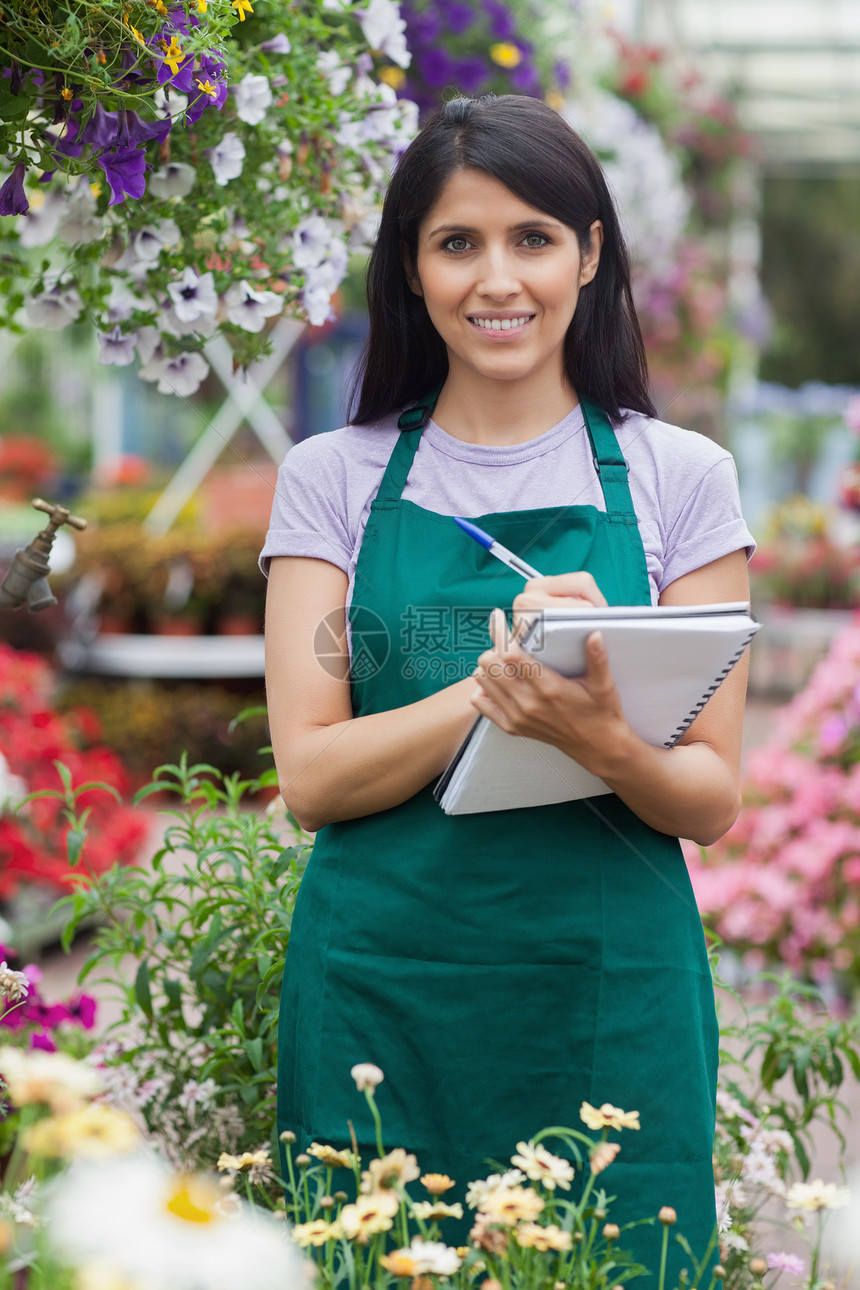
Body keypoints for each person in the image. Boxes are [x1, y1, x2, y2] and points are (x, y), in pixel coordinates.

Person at [261, 93, 755, 1273]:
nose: (498, 279)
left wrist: (599, 734)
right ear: (412, 268)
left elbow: (708, 798)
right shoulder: (333, 479)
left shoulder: (678, 477)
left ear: (589, 254)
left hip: (607, 993)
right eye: (456, 242)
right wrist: (503, 685)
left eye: (532, 238)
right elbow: (313, 776)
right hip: (383, 991)